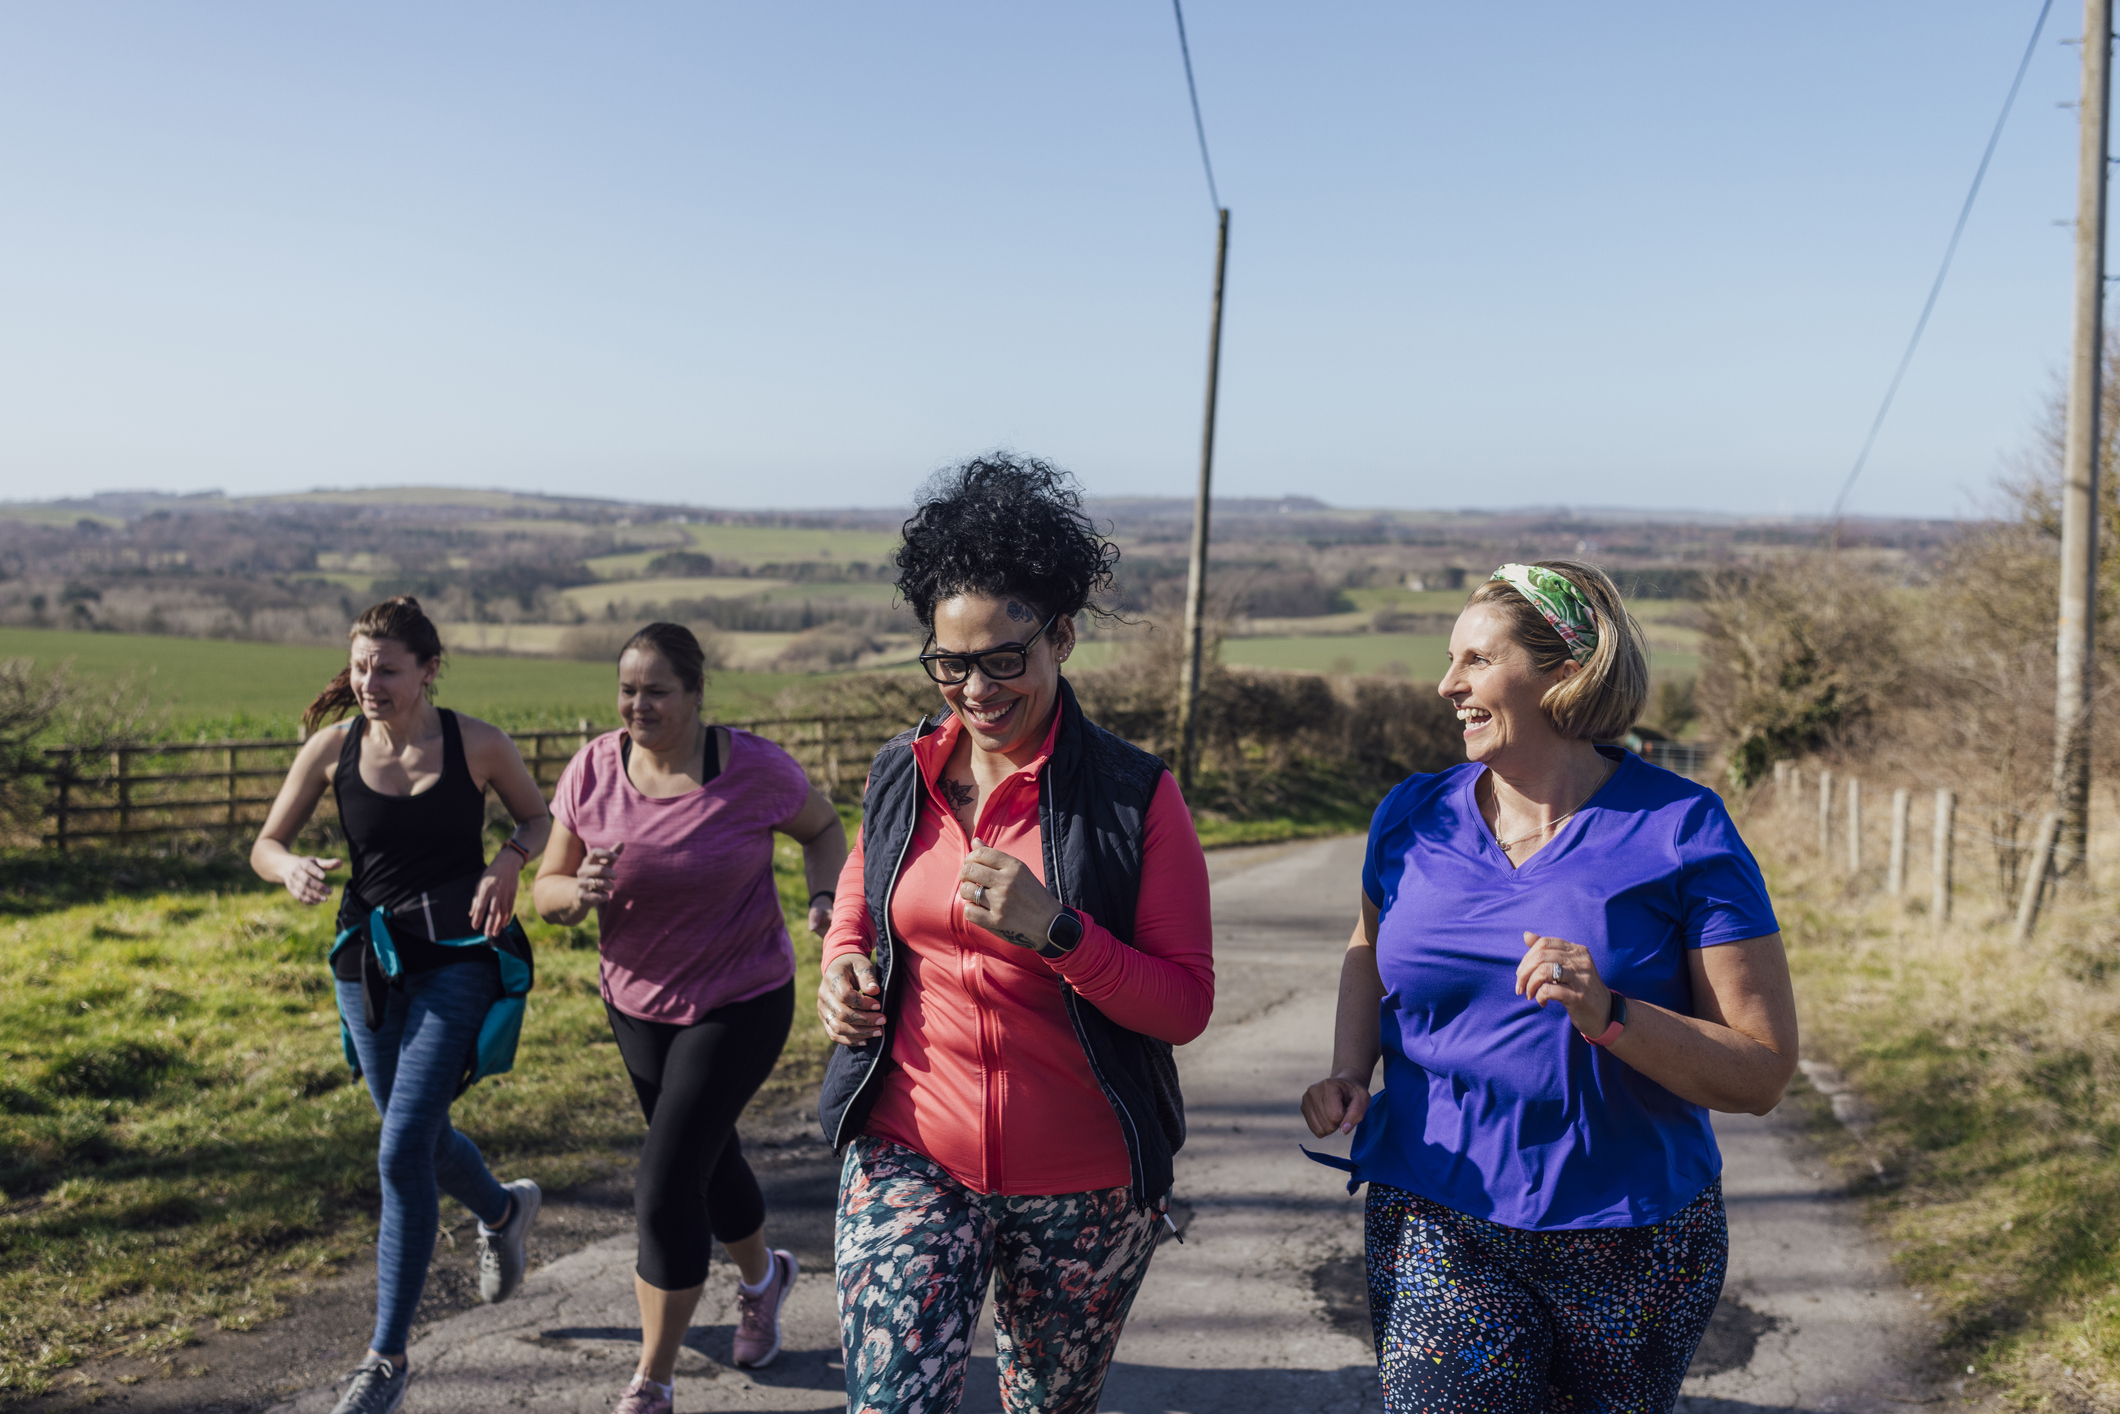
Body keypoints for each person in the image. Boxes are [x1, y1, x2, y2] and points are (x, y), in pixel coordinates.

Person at [1299, 560, 1798, 1413]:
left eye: (1477, 662)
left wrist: (1610, 1014)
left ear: (1566, 671)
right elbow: (1368, 946)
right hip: (1438, 1209)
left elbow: (1760, 1072)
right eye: (1451, 659)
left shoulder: (1683, 829)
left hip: (1633, 1236)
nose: (1447, 684)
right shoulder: (1411, 814)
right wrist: (1351, 1069)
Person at [816, 455, 1216, 1414]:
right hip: (909, 1148)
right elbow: (856, 912)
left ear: (1062, 638)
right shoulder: (900, 775)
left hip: (1083, 1181)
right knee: (893, 1401)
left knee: (1048, 1405)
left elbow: (1184, 1004)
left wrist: (1060, 933)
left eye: (1006, 658)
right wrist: (838, 972)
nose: (977, 688)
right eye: (951, 662)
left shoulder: (1132, 797)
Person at [533, 622, 849, 1414]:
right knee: (708, 1161)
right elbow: (546, 890)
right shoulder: (593, 770)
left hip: (741, 999)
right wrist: (578, 896)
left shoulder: (751, 768)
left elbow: (822, 829)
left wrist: (822, 899)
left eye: (656, 691)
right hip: (636, 1005)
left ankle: (654, 1379)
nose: (637, 705)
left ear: (697, 695)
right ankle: (764, 1277)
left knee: (667, 1181)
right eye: (627, 690)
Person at [252, 596, 552, 1414]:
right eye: (360, 668)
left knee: (398, 1151)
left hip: (459, 958)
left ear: (428, 669)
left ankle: (385, 1360)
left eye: (387, 669)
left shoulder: (477, 743)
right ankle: (503, 1209)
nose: (370, 682)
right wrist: (289, 870)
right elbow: (264, 843)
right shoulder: (331, 748)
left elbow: (539, 815)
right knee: (409, 1133)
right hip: (368, 965)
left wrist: (510, 862)